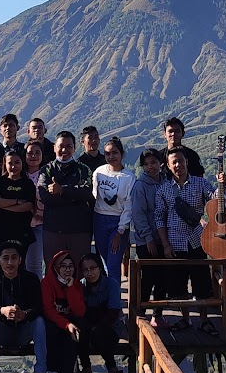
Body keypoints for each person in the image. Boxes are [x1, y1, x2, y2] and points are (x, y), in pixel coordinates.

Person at [156, 146, 221, 333]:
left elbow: (216, 199)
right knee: (179, 285)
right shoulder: (164, 190)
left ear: (187, 162)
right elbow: (159, 217)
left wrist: (222, 185)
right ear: (168, 166)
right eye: (173, 162)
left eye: (181, 161)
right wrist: (165, 245)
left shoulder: (200, 184)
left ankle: (204, 320)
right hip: (175, 243)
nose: (178, 165)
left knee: (202, 283)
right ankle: (185, 319)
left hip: (197, 240)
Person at [0, 242, 49, 373]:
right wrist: (3, 311)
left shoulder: (31, 279)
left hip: (24, 330)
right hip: (1, 331)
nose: (10, 263)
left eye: (14, 258)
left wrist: (24, 314)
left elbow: (38, 307)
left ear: (20, 260)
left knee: (39, 322)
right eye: (5, 258)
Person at [39, 131, 93, 267]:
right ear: (54, 148)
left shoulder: (84, 170)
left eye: (69, 146)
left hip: (79, 230)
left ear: (74, 148)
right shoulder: (46, 170)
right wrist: (74, 195)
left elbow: (86, 194)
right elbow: (46, 198)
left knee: (80, 272)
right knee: (53, 271)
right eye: (61, 146)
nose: (64, 150)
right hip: (53, 230)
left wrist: (61, 190)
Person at [128, 147, 169, 320]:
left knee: (163, 278)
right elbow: (138, 215)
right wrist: (148, 238)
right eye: (146, 164)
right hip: (147, 241)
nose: (150, 167)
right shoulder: (140, 186)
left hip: (165, 239)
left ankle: (157, 316)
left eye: (153, 162)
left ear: (160, 162)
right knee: (148, 278)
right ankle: (140, 317)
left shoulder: (166, 182)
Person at [40, 249, 85, 373]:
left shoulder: (76, 284)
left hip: (70, 323)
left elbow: (79, 311)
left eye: (70, 266)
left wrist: (71, 288)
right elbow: (48, 310)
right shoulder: (47, 283)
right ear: (55, 267)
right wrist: (66, 324)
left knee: (71, 336)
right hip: (53, 322)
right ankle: (51, 371)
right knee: (51, 331)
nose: (67, 270)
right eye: (63, 266)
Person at [75, 252, 123, 373]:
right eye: (85, 270)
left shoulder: (111, 284)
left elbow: (113, 312)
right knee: (81, 330)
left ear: (100, 268)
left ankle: (111, 366)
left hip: (109, 326)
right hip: (87, 326)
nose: (90, 273)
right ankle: (86, 368)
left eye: (93, 268)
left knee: (100, 334)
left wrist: (96, 328)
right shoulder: (80, 286)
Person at [91, 136, 134, 278]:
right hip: (99, 220)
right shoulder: (99, 172)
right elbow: (94, 196)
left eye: (115, 152)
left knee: (114, 263)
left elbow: (129, 206)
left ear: (121, 154)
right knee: (105, 261)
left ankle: (114, 299)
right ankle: (107, 296)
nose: (111, 156)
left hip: (118, 222)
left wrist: (120, 231)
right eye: (107, 153)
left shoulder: (129, 177)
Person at [0, 148, 37, 268]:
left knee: (19, 265)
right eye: (10, 163)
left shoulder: (28, 184)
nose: (13, 166)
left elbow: (29, 206)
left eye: (17, 162)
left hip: (21, 230)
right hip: (1, 230)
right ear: (5, 164)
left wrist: (4, 204)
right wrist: (16, 202)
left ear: (22, 163)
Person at [23, 140, 48, 277]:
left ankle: (35, 297)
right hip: (20, 224)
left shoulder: (48, 174)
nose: (33, 156)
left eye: (37, 152)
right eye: (30, 153)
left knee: (34, 264)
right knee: (19, 264)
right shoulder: (19, 174)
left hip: (40, 224)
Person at [161, 116, 205, 181]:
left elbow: (200, 179)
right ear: (165, 134)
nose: (173, 134)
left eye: (177, 131)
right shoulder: (158, 157)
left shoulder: (192, 155)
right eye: (170, 131)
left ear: (183, 133)